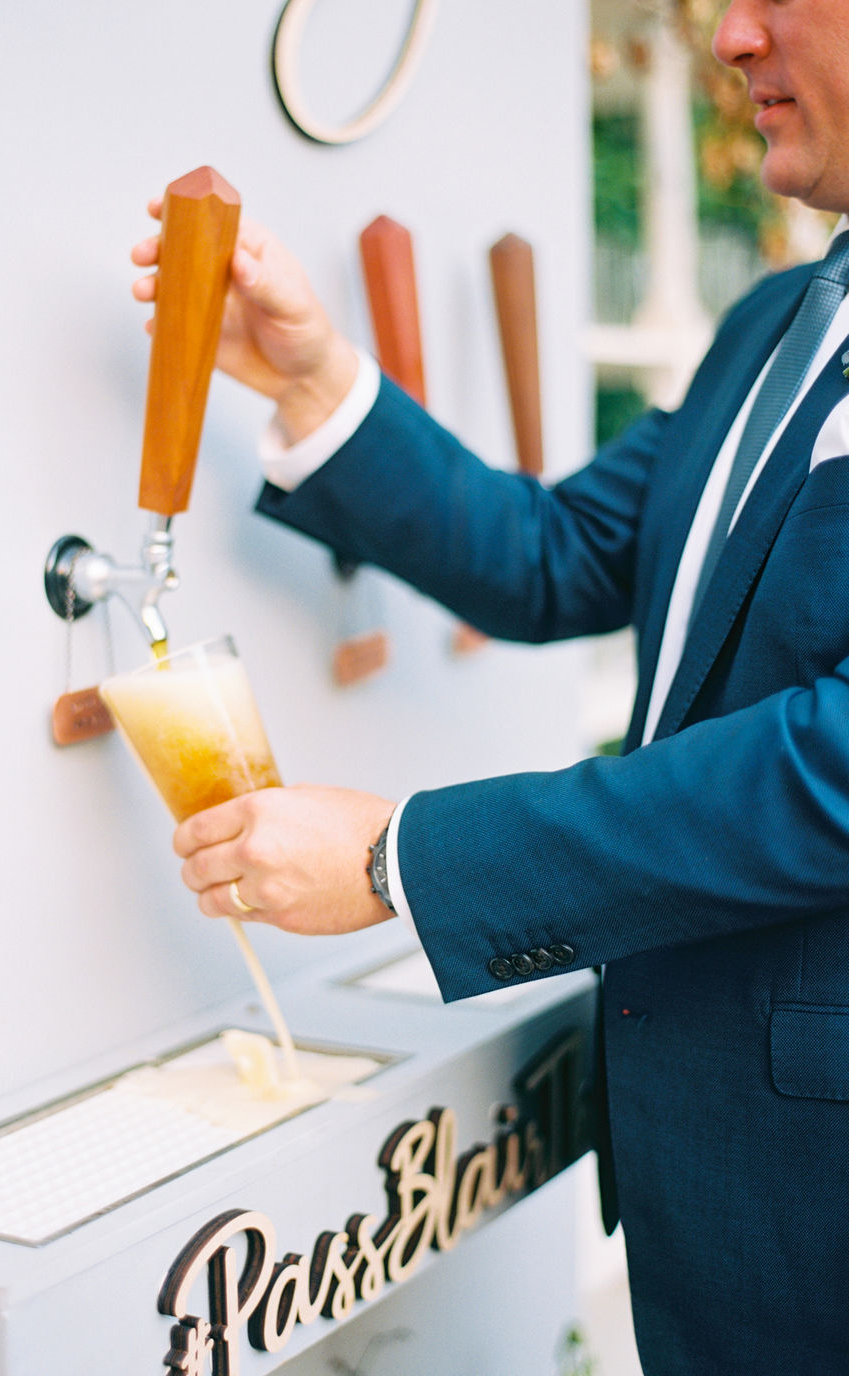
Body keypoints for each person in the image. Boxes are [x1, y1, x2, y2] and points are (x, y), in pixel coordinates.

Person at [132, 3, 849, 1372]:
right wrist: (324, 380)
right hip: (706, 1190)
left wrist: (403, 859)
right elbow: (560, 555)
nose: (732, 38)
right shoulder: (776, 322)